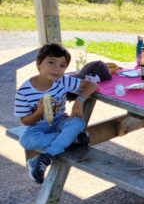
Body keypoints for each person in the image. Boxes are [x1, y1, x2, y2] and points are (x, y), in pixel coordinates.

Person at [14, 43, 97, 184]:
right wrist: (39, 112)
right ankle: (71, 139)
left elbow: (92, 85)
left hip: (60, 121)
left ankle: (44, 158)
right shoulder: (24, 91)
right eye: (51, 62)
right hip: (39, 127)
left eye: (62, 65)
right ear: (39, 63)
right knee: (26, 141)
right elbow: (25, 121)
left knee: (77, 122)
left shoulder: (62, 80)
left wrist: (79, 101)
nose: (57, 68)